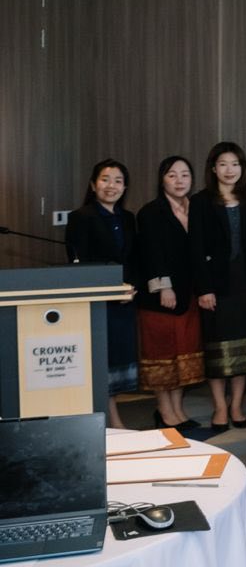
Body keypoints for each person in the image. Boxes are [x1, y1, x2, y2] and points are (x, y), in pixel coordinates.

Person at [135, 156, 211, 431]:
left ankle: (178, 410)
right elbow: (151, 253)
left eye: (185, 175)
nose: (179, 181)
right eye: (172, 175)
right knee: (162, 355)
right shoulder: (151, 211)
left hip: (188, 294)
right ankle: (164, 412)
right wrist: (164, 286)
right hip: (160, 297)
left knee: (184, 354)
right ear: (162, 180)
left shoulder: (196, 208)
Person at [193, 142, 246, 430]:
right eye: (223, 164)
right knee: (217, 348)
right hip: (216, 285)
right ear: (213, 168)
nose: (229, 170)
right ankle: (220, 407)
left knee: (244, 347)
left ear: (242, 168)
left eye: (235, 164)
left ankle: (236, 405)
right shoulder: (200, 201)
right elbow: (196, 247)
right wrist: (203, 288)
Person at [65, 159, 138, 427]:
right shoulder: (81, 217)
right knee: (100, 360)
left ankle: (111, 416)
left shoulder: (128, 218)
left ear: (125, 187)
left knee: (117, 360)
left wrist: (132, 286)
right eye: (105, 179)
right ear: (93, 184)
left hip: (124, 302)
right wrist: (109, 289)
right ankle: (111, 419)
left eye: (118, 181)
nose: (111, 186)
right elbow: (79, 264)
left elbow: (134, 259)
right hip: (97, 304)